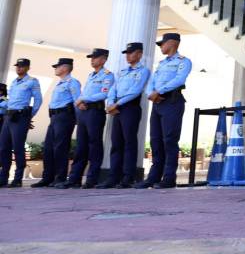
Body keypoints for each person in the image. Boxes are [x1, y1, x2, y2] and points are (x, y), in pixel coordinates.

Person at [136, 33, 192, 189]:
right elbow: (151, 82)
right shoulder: (161, 64)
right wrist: (151, 94)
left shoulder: (184, 61)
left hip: (172, 102)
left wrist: (159, 91)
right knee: (155, 140)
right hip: (158, 103)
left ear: (173, 43)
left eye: (163, 43)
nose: (161, 46)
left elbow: (179, 80)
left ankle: (168, 178)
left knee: (169, 140)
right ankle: (153, 177)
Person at [57, 48, 114, 189]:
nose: (92, 60)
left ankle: (92, 179)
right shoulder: (91, 75)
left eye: (95, 57)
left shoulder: (108, 75)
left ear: (103, 59)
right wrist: (81, 103)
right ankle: (74, 178)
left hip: (96, 111)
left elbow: (103, 94)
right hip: (84, 112)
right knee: (81, 146)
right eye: (91, 57)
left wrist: (83, 99)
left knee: (94, 145)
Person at [97, 42, 150, 189]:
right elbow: (113, 88)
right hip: (116, 108)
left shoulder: (143, 71)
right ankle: (113, 177)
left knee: (129, 143)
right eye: (127, 53)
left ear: (139, 54)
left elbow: (136, 90)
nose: (128, 55)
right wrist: (110, 102)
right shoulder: (122, 71)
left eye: (131, 52)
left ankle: (128, 177)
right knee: (116, 143)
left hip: (129, 108)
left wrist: (117, 104)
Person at [30, 58, 81, 187]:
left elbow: (77, 101)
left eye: (57, 67)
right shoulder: (59, 83)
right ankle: (47, 177)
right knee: (48, 148)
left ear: (65, 68)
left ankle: (60, 177)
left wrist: (78, 120)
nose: (55, 69)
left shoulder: (72, 82)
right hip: (54, 118)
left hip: (65, 117)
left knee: (60, 148)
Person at [0, 58, 42, 188]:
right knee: (3, 147)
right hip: (9, 116)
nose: (18, 68)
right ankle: (3, 177)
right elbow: (11, 100)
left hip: (20, 117)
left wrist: (29, 116)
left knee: (18, 148)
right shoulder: (14, 82)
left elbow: (38, 100)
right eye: (17, 66)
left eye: (22, 66)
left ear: (28, 67)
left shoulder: (32, 81)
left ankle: (17, 179)